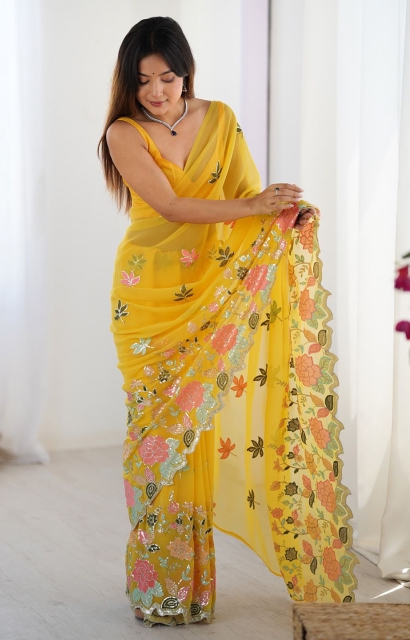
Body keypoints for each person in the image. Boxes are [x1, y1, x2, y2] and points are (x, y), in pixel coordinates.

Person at [98, 16, 359, 628]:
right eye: (143, 80)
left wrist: (282, 214)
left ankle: (192, 589)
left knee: (197, 434)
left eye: (167, 77)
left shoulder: (219, 119)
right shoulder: (123, 133)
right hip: (148, 297)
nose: (156, 91)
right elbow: (170, 205)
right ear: (128, 82)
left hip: (212, 288)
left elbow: (247, 200)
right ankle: (160, 588)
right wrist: (254, 203)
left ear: (187, 71)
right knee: (158, 437)